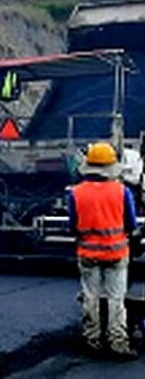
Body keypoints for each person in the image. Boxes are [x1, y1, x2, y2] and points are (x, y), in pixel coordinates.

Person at [68, 143, 137, 357]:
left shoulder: (76, 193)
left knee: (91, 297)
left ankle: (92, 339)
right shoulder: (122, 191)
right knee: (116, 299)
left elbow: (73, 226)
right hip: (116, 255)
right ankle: (118, 342)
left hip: (88, 255)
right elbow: (131, 224)